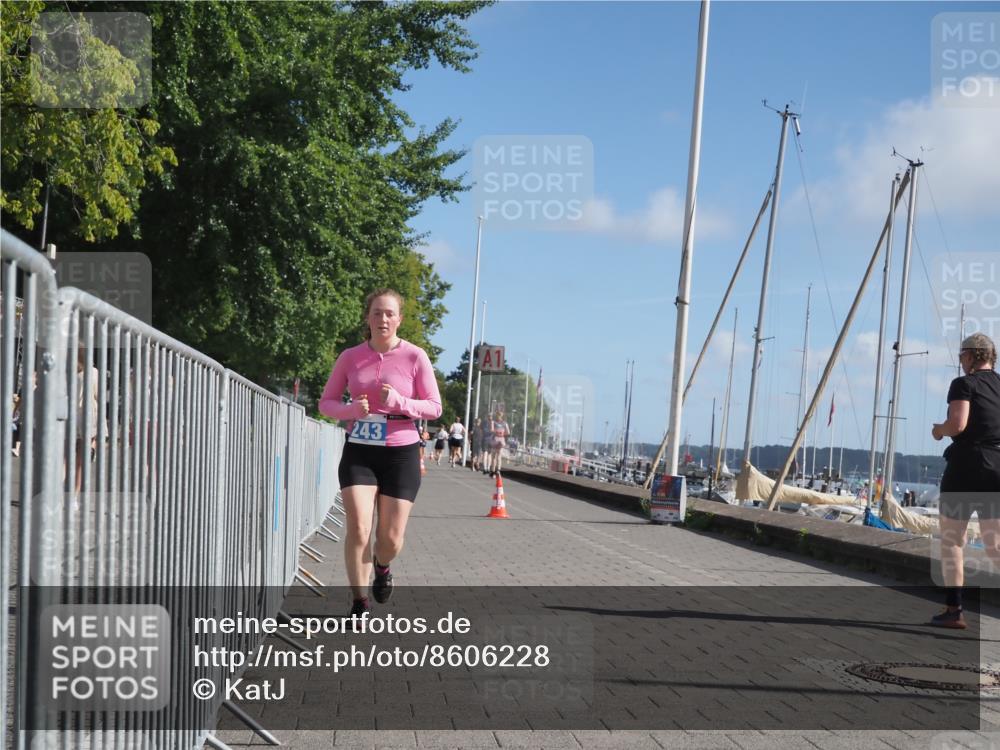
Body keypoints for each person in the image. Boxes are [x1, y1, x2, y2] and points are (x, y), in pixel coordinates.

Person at [319, 289, 442, 618]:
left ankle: (383, 566)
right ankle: (359, 602)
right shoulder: (350, 357)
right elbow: (326, 402)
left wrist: (400, 403)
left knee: (389, 538)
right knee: (359, 527)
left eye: (389, 313)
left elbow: (434, 407)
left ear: (399, 319)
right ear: (368, 317)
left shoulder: (416, 357)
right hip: (359, 450)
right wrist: (350, 410)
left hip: (400, 454)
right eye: (377, 313)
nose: (383, 319)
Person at [930, 332, 1000, 629]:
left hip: (967, 466)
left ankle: (954, 610)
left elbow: (958, 424)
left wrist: (939, 430)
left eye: (961, 356)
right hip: (998, 465)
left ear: (971, 356)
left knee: (953, 541)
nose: (960, 362)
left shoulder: (964, 383)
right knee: (995, 544)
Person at [487, 408, 510, 477]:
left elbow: (508, 432)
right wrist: (500, 433)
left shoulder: (501, 423)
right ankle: (495, 471)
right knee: (495, 456)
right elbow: (491, 430)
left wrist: (500, 433)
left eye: (499, 415)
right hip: (497, 439)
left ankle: (496, 471)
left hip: (498, 439)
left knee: (497, 456)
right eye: (498, 415)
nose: (498, 416)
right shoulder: (497, 422)